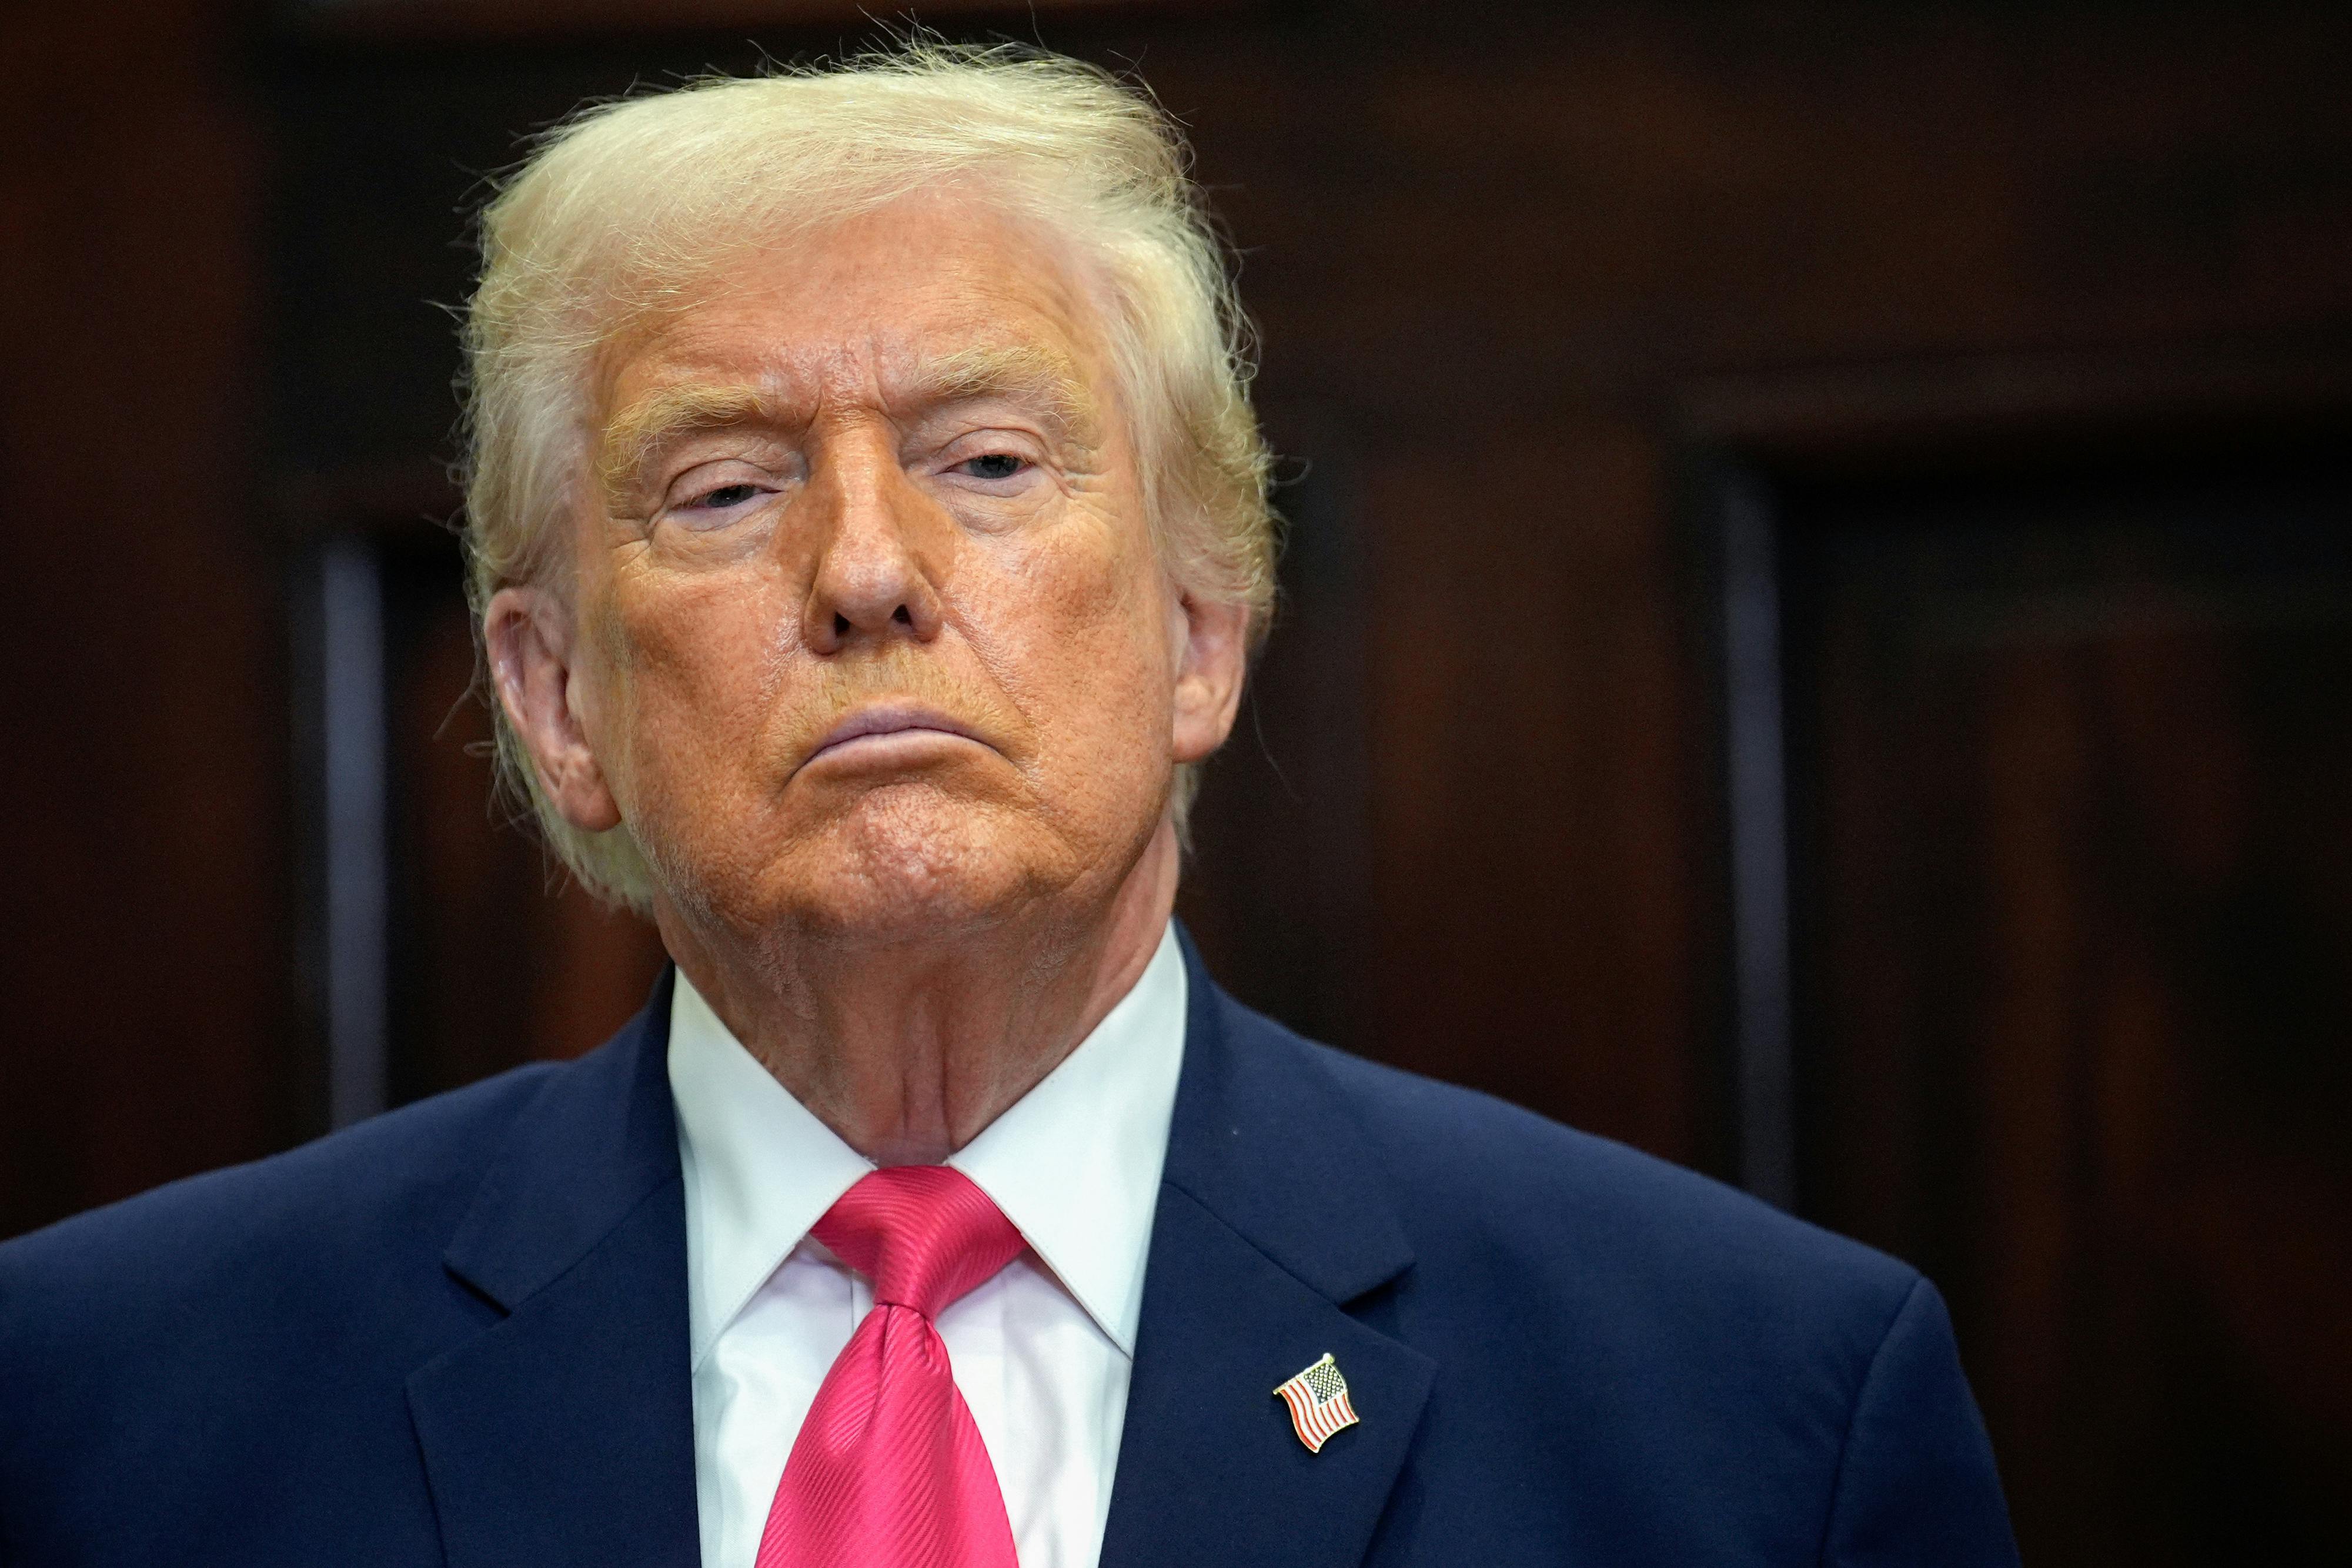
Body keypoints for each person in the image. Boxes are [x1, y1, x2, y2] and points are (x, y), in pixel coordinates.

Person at [0, 45, 2018, 1567]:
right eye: (727, 486)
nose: (868, 569)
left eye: (985, 461)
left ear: (1201, 631)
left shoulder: (1754, 1412)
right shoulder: (100, 1404)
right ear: (556, 700)